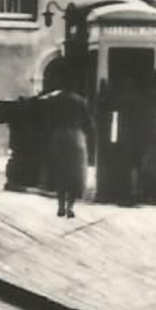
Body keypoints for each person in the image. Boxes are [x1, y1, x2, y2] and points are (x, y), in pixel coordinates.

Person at [44, 87, 96, 219]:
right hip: (76, 136)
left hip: (59, 135)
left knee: (60, 170)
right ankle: (70, 207)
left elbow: (47, 121)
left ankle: (61, 206)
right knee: (75, 172)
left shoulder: (54, 101)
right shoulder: (80, 101)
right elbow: (89, 123)